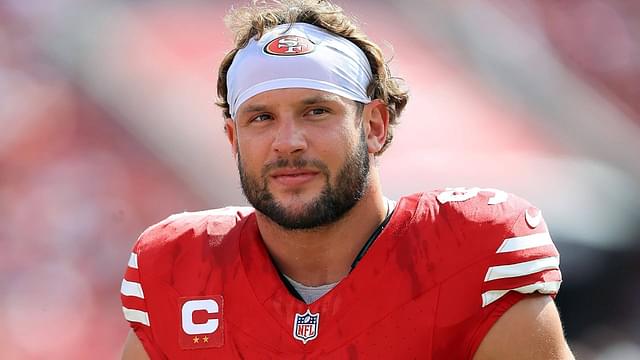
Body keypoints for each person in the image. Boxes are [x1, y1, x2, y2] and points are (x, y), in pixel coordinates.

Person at [120, 0, 574, 358]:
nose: (287, 141)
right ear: (233, 138)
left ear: (374, 125)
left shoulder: (471, 249)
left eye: (316, 111)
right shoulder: (177, 269)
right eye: (261, 117)